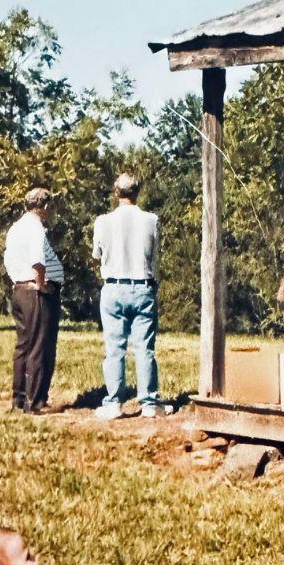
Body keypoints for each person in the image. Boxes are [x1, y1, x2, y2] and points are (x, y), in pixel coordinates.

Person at [92, 173, 167, 420]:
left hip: (113, 286)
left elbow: (97, 254)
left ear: (116, 192)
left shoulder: (103, 221)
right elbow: (155, 257)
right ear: (138, 192)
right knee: (144, 347)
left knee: (114, 349)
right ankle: (149, 403)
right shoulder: (151, 220)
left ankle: (113, 402)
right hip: (142, 285)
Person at [4, 188, 64, 415]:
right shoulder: (36, 228)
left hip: (20, 288)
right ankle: (35, 401)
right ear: (45, 207)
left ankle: (19, 399)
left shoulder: (16, 227)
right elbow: (38, 260)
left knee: (23, 346)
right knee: (40, 346)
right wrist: (41, 285)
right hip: (35, 291)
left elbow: (8, 258)